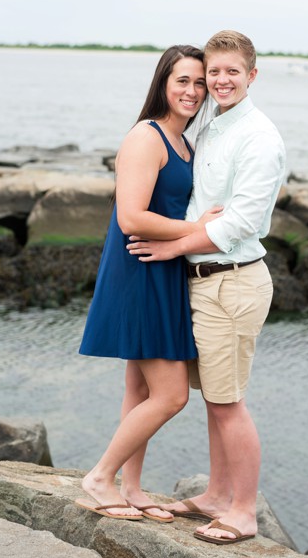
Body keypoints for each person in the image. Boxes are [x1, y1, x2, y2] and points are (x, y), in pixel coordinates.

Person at [127, 30, 287, 544]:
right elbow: (198, 203)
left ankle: (242, 512)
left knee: (227, 402)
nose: (217, 81)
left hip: (233, 283)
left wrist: (177, 245)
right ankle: (218, 494)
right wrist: (189, 236)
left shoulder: (259, 137)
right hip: (202, 283)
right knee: (214, 398)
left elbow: (245, 220)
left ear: (251, 76)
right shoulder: (214, 126)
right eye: (210, 73)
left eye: (229, 72)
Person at [74, 45, 221, 522]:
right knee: (172, 395)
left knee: (139, 391)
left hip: (164, 268)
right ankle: (100, 478)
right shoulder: (146, 137)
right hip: (140, 267)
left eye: (200, 83)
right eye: (183, 80)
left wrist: (189, 235)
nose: (193, 91)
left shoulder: (184, 142)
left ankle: (131, 486)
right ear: (163, 82)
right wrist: (201, 232)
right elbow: (131, 216)